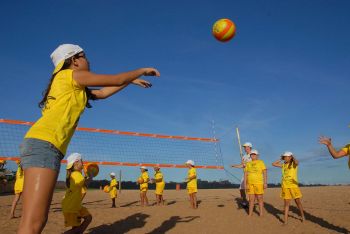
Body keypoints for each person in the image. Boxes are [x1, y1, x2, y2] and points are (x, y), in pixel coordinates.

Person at [17, 44, 160, 233]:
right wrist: (141, 70)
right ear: (74, 60)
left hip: (43, 145)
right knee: (34, 223)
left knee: (34, 220)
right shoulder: (71, 75)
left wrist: (130, 81)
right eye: (84, 56)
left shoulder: (71, 84)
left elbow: (102, 93)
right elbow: (115, 79)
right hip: (44, 144)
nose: (88, 61)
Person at [62, 153, 93, 234]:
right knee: (77, 228)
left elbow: (83, 185)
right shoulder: (76, 174)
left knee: (88, 218)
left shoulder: (74, 174)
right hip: (71, 207)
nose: (83, 163)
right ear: (76, 162)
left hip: (75, 206)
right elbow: (85, 183)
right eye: (81, 161)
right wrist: (91, 176)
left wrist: (86, 174)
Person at [272, 152, 305, 224]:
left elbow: (297, 162)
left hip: (293, 186)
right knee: (286, 204)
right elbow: (273, 164)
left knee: (298, 202)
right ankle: (285, 221)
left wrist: (293, 157)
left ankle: (302, 216)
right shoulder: (283, 165)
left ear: (290, 157)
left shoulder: (294, 164)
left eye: (287, 157)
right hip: (285, 186)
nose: (285, 158)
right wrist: (280, 159)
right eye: (285, 157)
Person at [244, 149, 267, 216]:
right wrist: (245, 184)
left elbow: (265, 172)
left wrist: (265, 183)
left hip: (259, 183)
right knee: (251, 199)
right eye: (251, 154)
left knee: (259, 198)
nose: (253, 155)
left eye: (254, 154)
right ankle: (250, 214)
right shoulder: (248, 164)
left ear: (257, 155)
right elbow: (245, 174)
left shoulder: (261, 162)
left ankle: (261, 213)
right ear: (250, 156)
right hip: (250, 184)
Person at [231, 142, 253, 207]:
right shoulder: (244, 156)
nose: (245, 148)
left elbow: (253, 163)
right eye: (244, 147)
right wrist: (234, 166)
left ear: (249, 147)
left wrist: (245, 163)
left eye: (246, 147)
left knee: (250, 190)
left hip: (251, 174)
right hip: (245, 174)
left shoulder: (253, 154)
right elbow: (242, 166)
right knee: (241, 189)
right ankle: (244, 201)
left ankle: (251, 202)